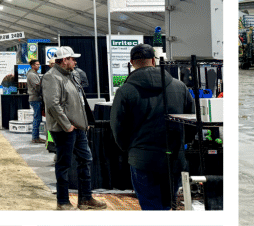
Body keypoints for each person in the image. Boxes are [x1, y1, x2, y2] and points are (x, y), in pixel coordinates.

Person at [109, 44, 193, 210]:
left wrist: (130, 149)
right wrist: (183, 143)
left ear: (132, 62)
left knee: (150, 208)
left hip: (142, 159)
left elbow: (117, 126)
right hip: (174, 157)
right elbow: (190, 121)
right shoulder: (180, 87)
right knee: (168, 205)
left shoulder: (125, 91)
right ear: (153, 61)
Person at [43, 46, 106, 211]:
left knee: (86, 160)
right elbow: (52, 105)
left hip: (77, 128)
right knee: (64, 165)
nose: (75, 61)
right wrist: (67, 125)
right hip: (65, 130)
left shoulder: (70, 75)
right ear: (64, 60)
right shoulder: (51, 77)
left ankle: (85, 198)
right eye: (72, 59)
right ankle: (62, 201)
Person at [27, 59, 45, 143]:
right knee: (37, 118)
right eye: (37, 64)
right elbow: (37, 87)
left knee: (37, 118)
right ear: (32, 65)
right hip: (35, 98)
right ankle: (35, 138)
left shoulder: (34, 74)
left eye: (39, 64)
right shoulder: (31, 74)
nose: (38, 66)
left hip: (36, 98)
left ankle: (36, 137)